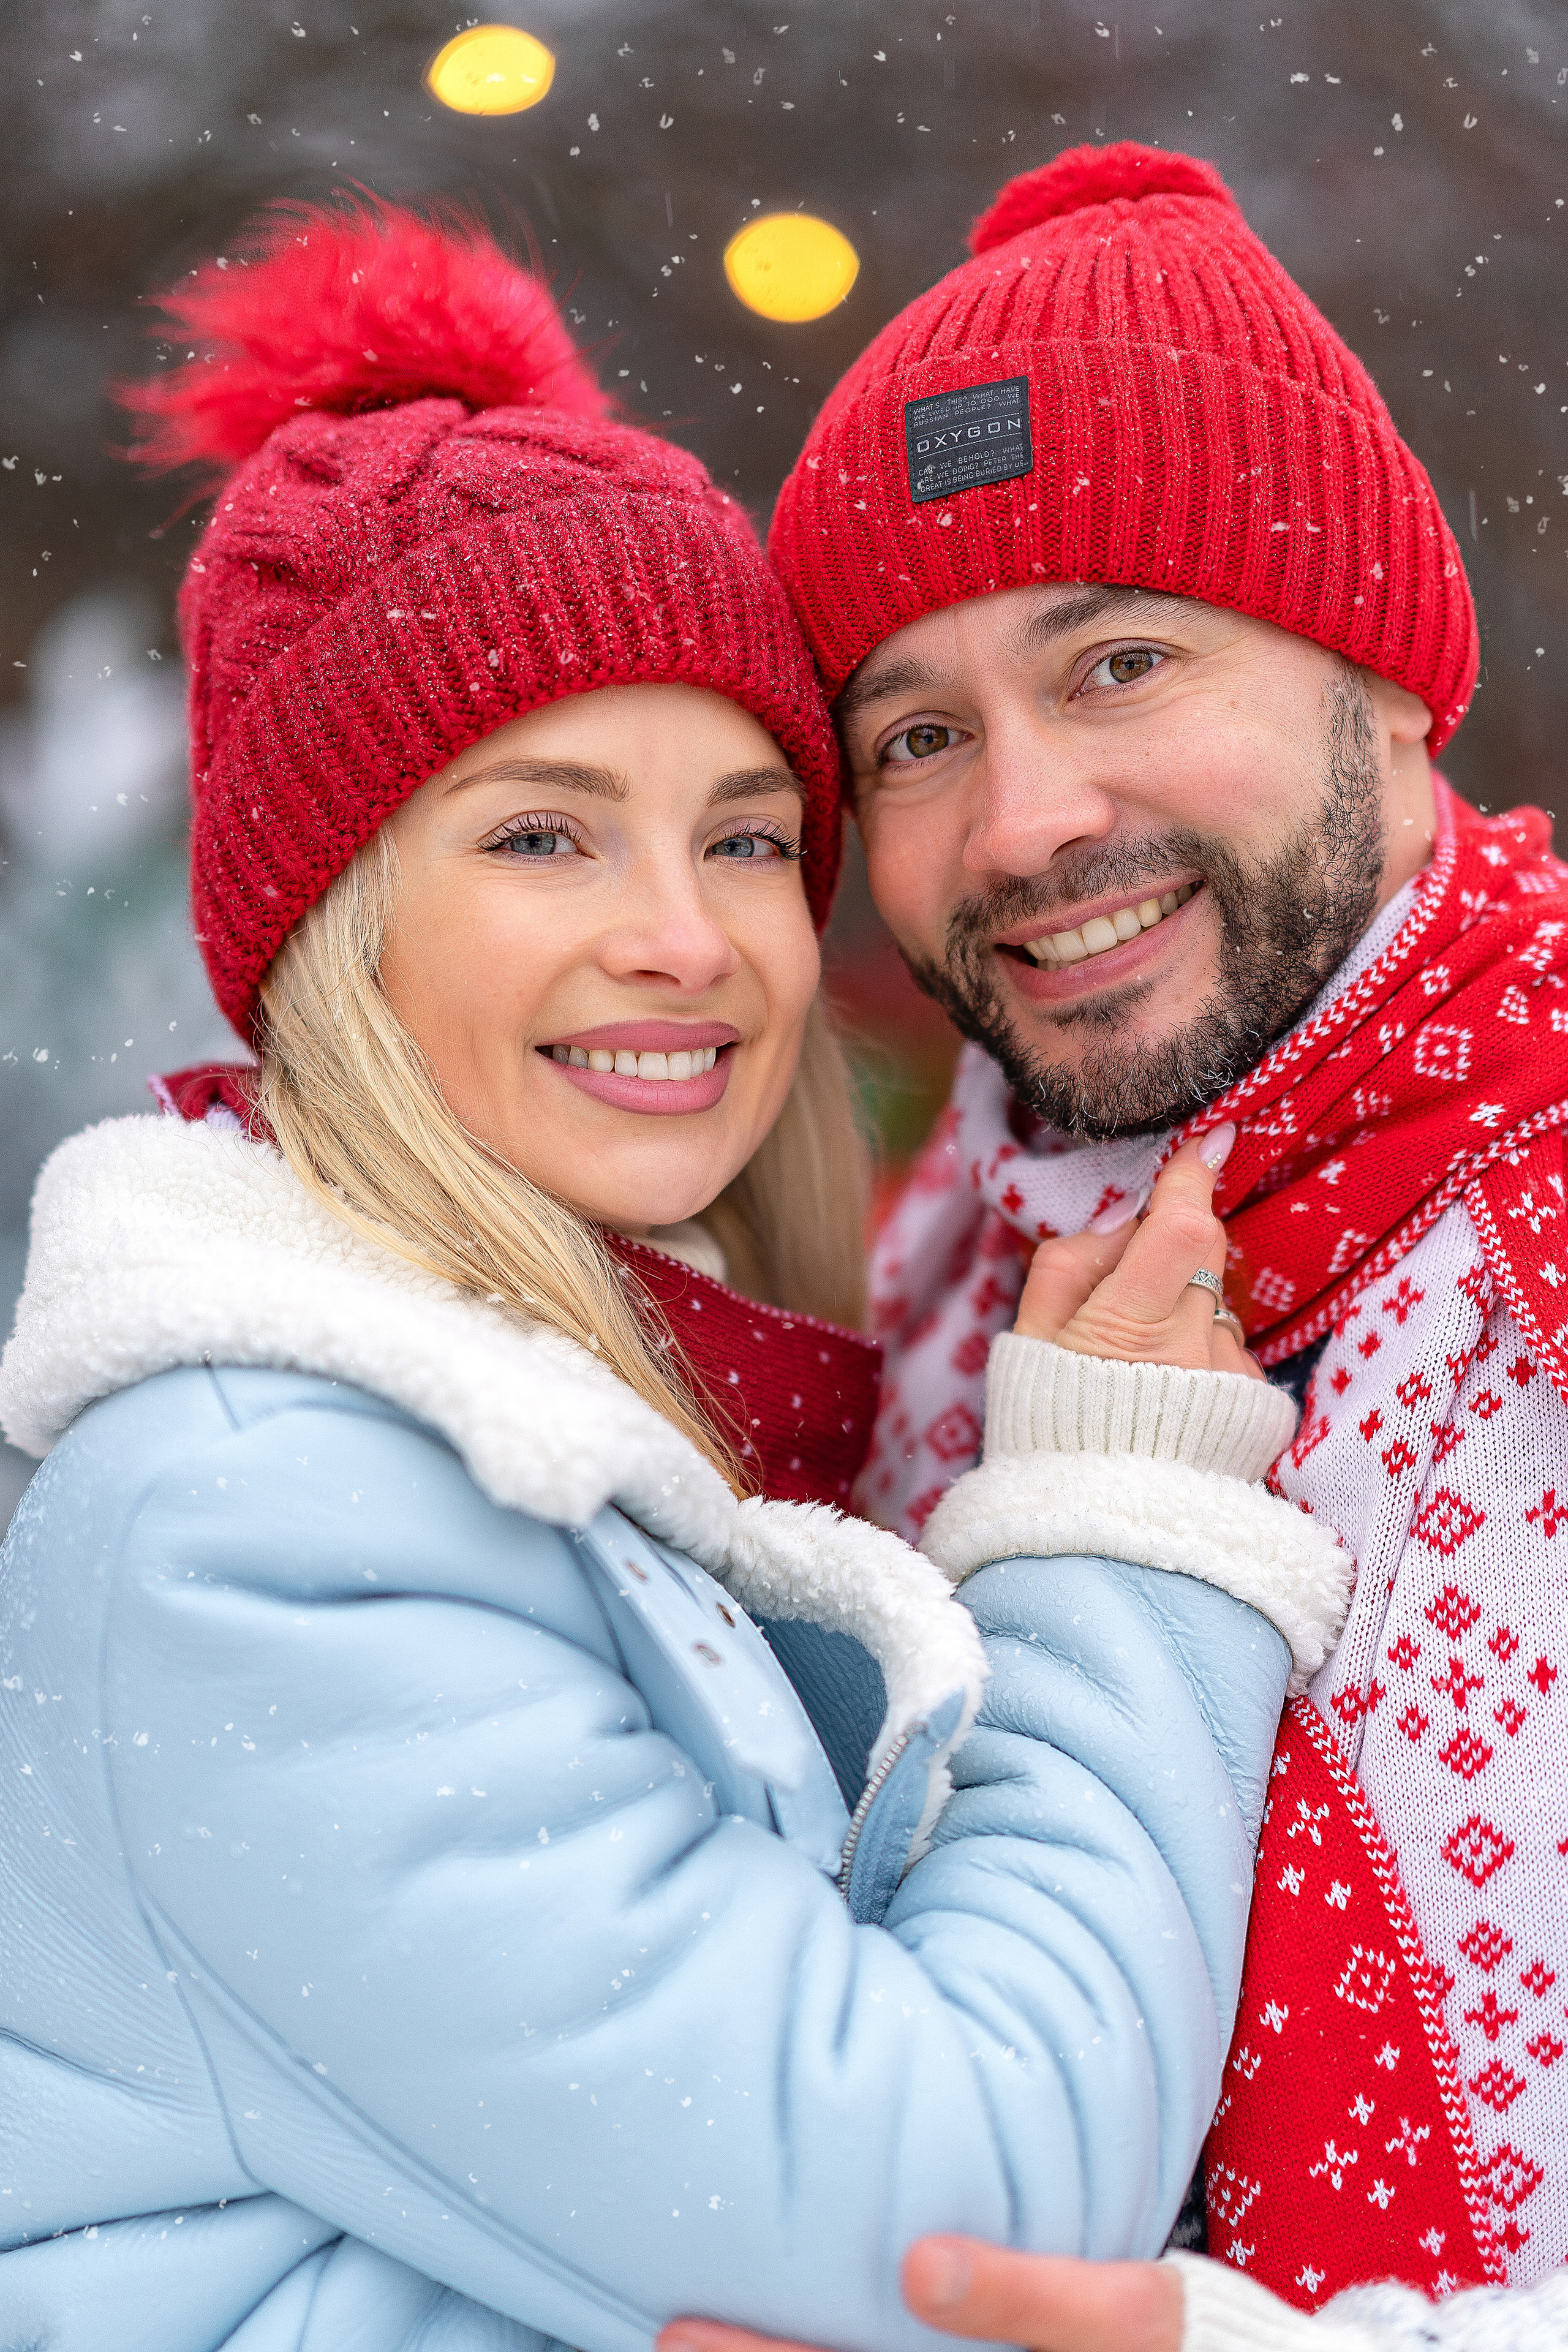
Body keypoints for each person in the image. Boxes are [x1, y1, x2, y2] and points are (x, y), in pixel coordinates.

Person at [0, 200, 1347, 2352]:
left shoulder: (608, 1420)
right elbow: (967, 2225)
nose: (688, 936)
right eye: (541, 834)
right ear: (336, 927)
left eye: (740, 832)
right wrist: (1122, 1542)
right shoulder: (256, 1523)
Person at [758, 139, 1568, 2343]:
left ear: (1389, 689)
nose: (1021, 825)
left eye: (1115, 662)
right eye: (916, 736)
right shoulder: (945, 1271)